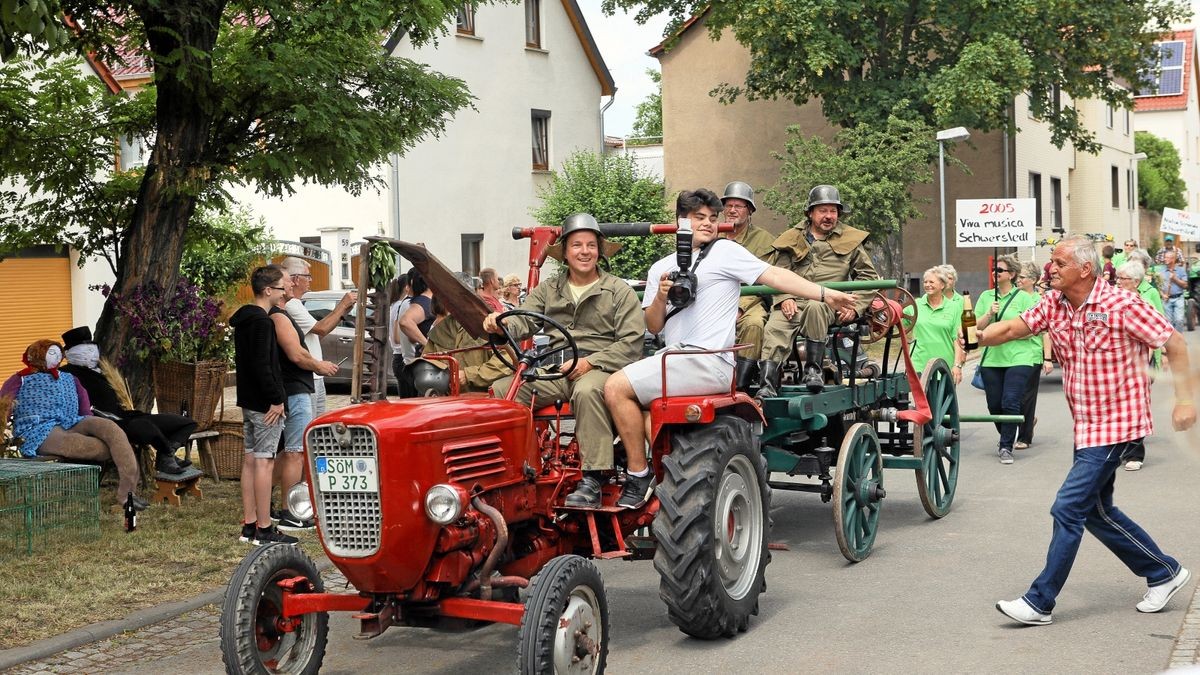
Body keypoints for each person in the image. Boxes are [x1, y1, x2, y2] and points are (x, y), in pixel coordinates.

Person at [985, 234, 1195, 626]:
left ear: (1085, 268)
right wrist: (987, 333)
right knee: (1097, 510)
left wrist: (1184, 400)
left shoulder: (1122, 304)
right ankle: (1163, 572)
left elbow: (1176, 343)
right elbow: (1019, 326)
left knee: (1068, 507)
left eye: (1059, 263)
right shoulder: (1054, 303)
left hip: (1119, 423)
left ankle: (1039, 601)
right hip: (1088, 425)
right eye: (1051, 262)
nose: (1051, 269)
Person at [603, 189, 857, 509]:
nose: (709, 224)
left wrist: (824, 294)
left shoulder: (725, 251)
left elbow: (775, 275)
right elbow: (653, 326)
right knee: (626, 400)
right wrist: (660, 297)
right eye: (699, 218)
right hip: (674, 360)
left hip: (709, 362)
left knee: (615, 387)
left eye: (713, 217)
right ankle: (659, 472)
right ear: (681, 221)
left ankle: (637, 475)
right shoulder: (660, 269)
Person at [483, 213, 645, 509]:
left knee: (587, 391)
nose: (585, 251)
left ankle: (593, 477)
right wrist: (500, 324)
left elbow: (631, 343)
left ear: (599, 251)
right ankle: (516, 469)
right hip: (555, 369)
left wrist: (590, 363)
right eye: (577, 245)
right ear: (566, 253)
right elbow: (523, 322)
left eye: (591, 245)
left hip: (601, 369)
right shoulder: (549, 289)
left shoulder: (618, 291)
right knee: (503, 392)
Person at [755, 184, 878, 397]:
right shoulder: (792, 237)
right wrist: (785, 297)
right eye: (823, 210)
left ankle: (814, 371)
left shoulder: (850, 240)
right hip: (794, 302)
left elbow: (868, 278)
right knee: (775, 326)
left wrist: (855, 308)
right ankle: (768, 385)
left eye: (833, 211)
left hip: (829, 303)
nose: (829, 216)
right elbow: (777, 272)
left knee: (815, 307)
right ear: (810, 213)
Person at [2, 340, 147, 511]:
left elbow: (84, 405)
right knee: (92, 446)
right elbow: (3, 405)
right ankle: (125, 491)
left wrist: (92, 424)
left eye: (58, 353)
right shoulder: (20, 379)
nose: (56, 356)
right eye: (51, 353)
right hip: (39, 429)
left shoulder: (70, 378)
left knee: (112, 430)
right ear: (36, 355)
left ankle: (128, 494)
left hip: (72, 420)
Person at [60, 326, 194, 475]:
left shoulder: (101, 372)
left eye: (92, 349)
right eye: (85, 351)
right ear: (72, 353)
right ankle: (167, 453)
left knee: (186, 423)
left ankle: (165, 455)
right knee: (143, 427)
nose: (91, 354)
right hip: (102, 423)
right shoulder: (66, 375)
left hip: (125, 416)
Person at [229, 264, 296, 545]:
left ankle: (250, 524)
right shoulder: (262, 322)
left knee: (251, 461)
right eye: (282, 288)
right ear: (268, 290)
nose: (284, 294)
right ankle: (265, 529)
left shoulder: (245, 320)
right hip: (265, 405)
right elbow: (262, 365)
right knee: (264, 462)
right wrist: (277, 399)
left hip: (249, 401)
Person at [270, 269, 339, 531]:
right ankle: (290, 511)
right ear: (273, 289)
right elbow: (297, 353)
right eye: (287, 280)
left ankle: (288, 506)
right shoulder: (281, 315)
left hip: (296, 385)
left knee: (288, 451)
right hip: (295, 387)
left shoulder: (283, 313)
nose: (293, 283)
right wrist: (318, 366)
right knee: (295, 451)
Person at [975, 255, 1040, 464]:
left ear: (1011, 275)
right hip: (991, 359)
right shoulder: (986, 296)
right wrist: (988, 314)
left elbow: (1033, 329)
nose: (995, 274)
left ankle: (1005, 446)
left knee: (1010, 401)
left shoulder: (1024, 298)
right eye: (994, 270)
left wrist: (1008, 333)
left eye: (1000, 270)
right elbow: (975, 328)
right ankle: (1008, 433)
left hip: (1019, 357)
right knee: (994, 406)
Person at [279, 256, 357, 415]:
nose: (310, 280)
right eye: (307, 276)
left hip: (315, 377)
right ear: (295, 279)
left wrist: (342, 313)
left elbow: (315, 334)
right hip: (309, 376)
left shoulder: (298, 304)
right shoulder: (292, 304)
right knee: (309, 425)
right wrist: (341, 305)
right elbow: (321, 328)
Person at [718, 181, 776, 391]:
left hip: (751, 299)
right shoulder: (712, 235)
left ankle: (740, 385)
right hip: (713, 298)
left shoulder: (763, 241)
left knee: (754, 325)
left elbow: (764, 279)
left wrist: (739, 307)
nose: (732, 210)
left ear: (750, 210)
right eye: (728, 205)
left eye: (739, 206)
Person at [1115, 258, 1166, 471]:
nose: (1117, 281)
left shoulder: (1146, 303)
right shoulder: (1111, 301)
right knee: (1117, 406)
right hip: (1115, 365)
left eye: (1122, 278)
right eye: (1117, 277)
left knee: (1135, 406)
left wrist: (1160, 356)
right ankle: (1118, 449)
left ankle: (1135, 453)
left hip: (1139, 364)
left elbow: (1160, 332)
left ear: (1135, 282)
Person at [1014, 262, 1053, 450]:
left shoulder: (1040, 300)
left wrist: (1047, 358)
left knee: (1027, 396)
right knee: (1012, 396)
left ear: (1034, 280)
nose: (1019, 280)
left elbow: (1046, 332)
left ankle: (1024, 436)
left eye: (1023, 277)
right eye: (1018, 277)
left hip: (1032, 354)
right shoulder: (1013, 298)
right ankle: (1028, 419)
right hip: (1011, 354)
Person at [908, 266, 964, 384]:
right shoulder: (915, 305)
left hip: (944, 366)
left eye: (931, 282)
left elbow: (957, 339)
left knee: (941, 401)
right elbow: (897, 320)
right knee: (922, 402)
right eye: (925, 282)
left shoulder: (954, 307)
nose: (928, 285)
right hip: (919, 365)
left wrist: (957, 365)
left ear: (942, 285)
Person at [394, 268, 435, 397]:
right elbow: (405, 322)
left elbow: (409, 337)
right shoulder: (424, 302)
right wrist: (427, 343)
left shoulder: (419, 301)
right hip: (419, 367)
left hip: (417, 365)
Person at [387, 274, 412, 390]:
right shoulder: (401, 306)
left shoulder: (393, 305)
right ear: (407, 287)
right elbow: (397, 337)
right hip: (401, 357)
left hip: (396, 357)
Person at [1160, 248, 1188, 331]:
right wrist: (1162, 295)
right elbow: (1159, 286)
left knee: (1179, 320)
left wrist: (1175, 279)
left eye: (1167, 257)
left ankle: (1179, 338)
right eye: (1165, 257)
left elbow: (1185, 285)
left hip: (1178, 298)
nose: (1165, 259)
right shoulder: (1161, 271)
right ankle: (1172, 341)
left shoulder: (1180, 270)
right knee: (1168, 322)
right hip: (1166, 299)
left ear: (1173, 259)